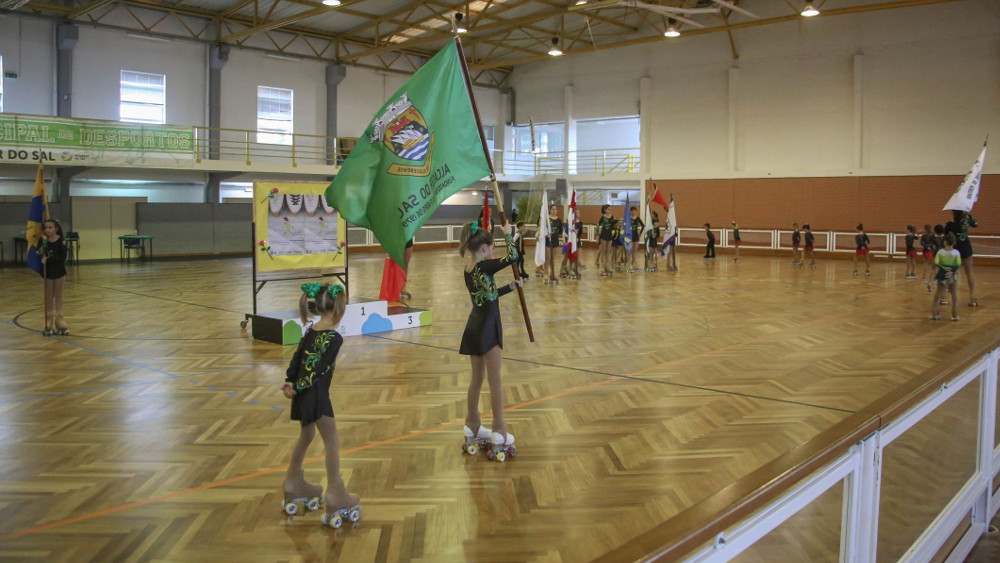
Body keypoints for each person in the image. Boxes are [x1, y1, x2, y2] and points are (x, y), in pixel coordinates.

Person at [281, 283, 361, 528]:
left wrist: (291, 382)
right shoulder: (333, 338)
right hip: (315, 395)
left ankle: (293, 482)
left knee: (306, 435)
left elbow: (298, 359)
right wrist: (298, 385)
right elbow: (318, 369)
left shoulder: (311, 330)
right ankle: (336, 493)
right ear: (338, 310)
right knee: (332, 441)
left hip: (303, 393)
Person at [459, 220, 522, 462]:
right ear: (484, 248)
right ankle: (499, 430)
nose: (493, 251)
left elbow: (488, 295)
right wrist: (509, 235)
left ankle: (472, 424)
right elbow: (513, 256)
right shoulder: (485, 266)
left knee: (477, 378)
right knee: (495, 380)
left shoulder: (469, 269)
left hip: (474, 325)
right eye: (492, 247)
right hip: (488, 327)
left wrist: (510, 287)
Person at [39, 219, 69, 336]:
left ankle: (60, 320)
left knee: (58, 296)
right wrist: (42, 256)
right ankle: (48, 320)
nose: (47, 230)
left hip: (59, 272)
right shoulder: (43, 241)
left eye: (50, 227)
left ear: (56, 228)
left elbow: (62, 257)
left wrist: (49, 259)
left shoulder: (62, 241)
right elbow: (39, 253)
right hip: (47, 272)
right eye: (46, 228)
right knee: (48, 297)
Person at [945, 210, 979, 307]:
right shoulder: (966, 222)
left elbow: (946, 236)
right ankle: (972, 297)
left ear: (953, 213)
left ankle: (945, 296)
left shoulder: (949, 224)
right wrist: (969, 215)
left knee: (951, 272)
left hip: (955, 248)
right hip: (965, 247)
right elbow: (976, 224)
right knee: (969, 272)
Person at [931, 233, 961, 321]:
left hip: (942, 273)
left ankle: (934, 313)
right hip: (952, 274)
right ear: (954, 242)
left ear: (945, 242)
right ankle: (954, 315)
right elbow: (958, 264)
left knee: (938, 292)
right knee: (954, 293)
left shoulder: (940, 252)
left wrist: (943, 268)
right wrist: (952, 271)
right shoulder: (956, 252)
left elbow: (936, 263)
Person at [544, 204, 563, 284]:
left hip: (555, 240)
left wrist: (555, 233)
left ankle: (553, 273)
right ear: (550, 210)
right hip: (548, 240)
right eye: (553, 209)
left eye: (555, 209)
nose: (554, 210)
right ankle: (546, 273)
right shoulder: (547, 219)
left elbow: (560, 231)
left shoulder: (559, 220)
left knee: (553, 258)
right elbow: (542, 229)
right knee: (548, 257)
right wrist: (546, 234)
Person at [597, 205, 615, 276]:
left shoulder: (612, 218)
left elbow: (613, 227)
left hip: (609, 236)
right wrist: (597, 236)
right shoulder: (603, 218)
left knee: (608, 252)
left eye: (610, 209)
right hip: (603, 235)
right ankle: (602, 267)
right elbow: (598, 226)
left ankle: (608, 267)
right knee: (603, 251)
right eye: (608, 209)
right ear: (605, 210)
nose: (610, 211)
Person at [627, 206, 644, 272]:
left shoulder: (637, 218)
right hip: (629, 236)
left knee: (635, 251)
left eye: (634, 210)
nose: (633, 212)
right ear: (630, 212)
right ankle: (628, 264)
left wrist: (640, 232)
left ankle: (633, 264)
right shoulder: (628, 218)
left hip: (636, 236)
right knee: (629, 251)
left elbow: (643, 225)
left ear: (636, 211)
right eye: (632, 211)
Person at [919, 224, 937, 288]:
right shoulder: (933, 236)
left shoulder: (923, 236)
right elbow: (934, 243)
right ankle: (934, 279)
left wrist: (926, 246)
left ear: (925, 229)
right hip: (931, 251)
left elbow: (921, 243)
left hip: (925, 251)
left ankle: (924, 278)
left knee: (925, 264)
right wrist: (930, 247)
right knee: (933, 265)